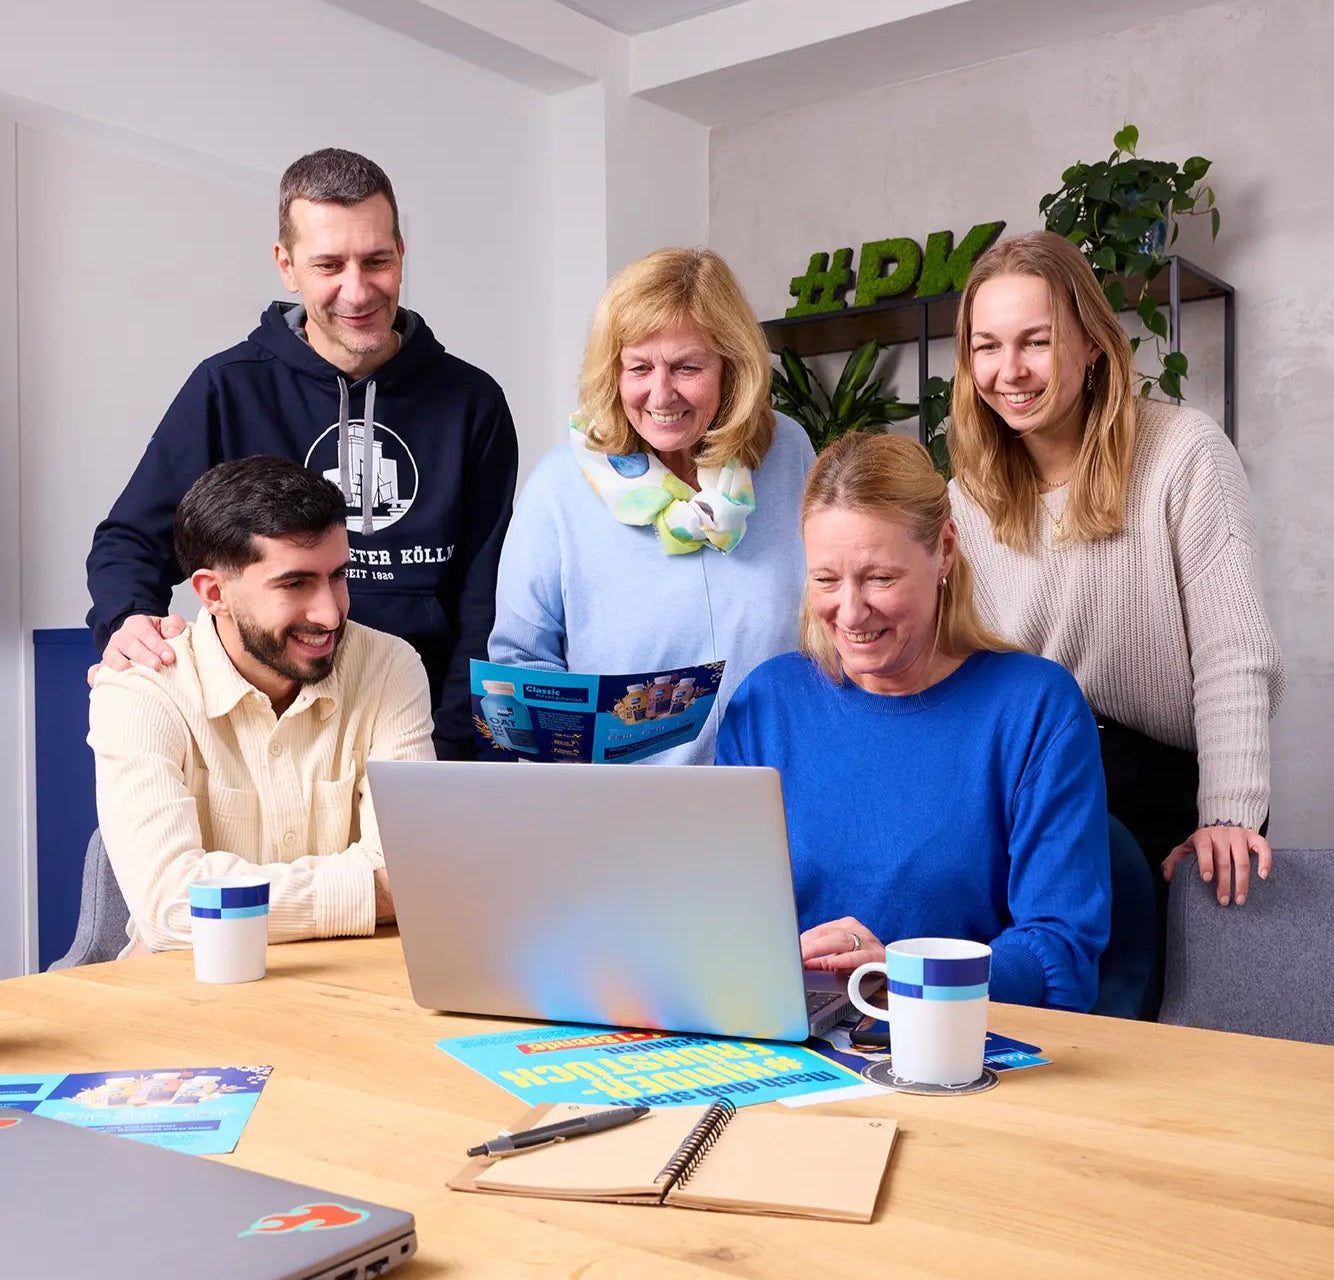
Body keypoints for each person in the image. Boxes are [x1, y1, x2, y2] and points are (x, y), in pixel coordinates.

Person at [86, 147, 518, 760]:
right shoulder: (228, 387)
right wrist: (127, 620)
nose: (357, 289)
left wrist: (451, 745)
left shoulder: (472, 402)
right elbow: (131, 538)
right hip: (258, 721)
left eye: (377, 261)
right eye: (328, 265)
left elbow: (485, 593)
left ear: (402, 257)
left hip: (410, 716)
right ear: (286, 266)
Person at [716, 431, 1112, 1012]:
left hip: (961, 1046)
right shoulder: (766, 705)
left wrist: (904, 973)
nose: (850, 612)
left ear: (944, 550)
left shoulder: (1035, 709)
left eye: (880, 578)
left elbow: (1060, 954)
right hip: (790, 1049)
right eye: (826, 579)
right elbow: (725, 923)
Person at [947, 231, 1285, 909]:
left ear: (1092, 344)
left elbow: (1233, 650)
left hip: (1169, 793)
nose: (1008, 371)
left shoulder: (1182, 452)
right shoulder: (967, 494)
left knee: (1162, 1008)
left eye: (1035, 341)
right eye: (987, 346)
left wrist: (1228, 811)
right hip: (1037, 788)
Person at [88, 457, 435, 954]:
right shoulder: (140, 690)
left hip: (357, 985)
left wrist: (228, 896)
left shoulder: (388, 666)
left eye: (338, 575)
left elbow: (417, 868)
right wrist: (374, 890)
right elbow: (171, 908)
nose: (330, 613)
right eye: (295, 584)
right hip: (185, 997)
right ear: (214, 592)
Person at [488, 247, 814, 763]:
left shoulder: (788, 452)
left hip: (785, 788)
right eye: (638, 367)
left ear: (732, 366)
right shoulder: (558, 488)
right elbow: (520, 665)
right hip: (622, 810)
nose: (661, 395)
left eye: (687, 367)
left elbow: (830, 610)